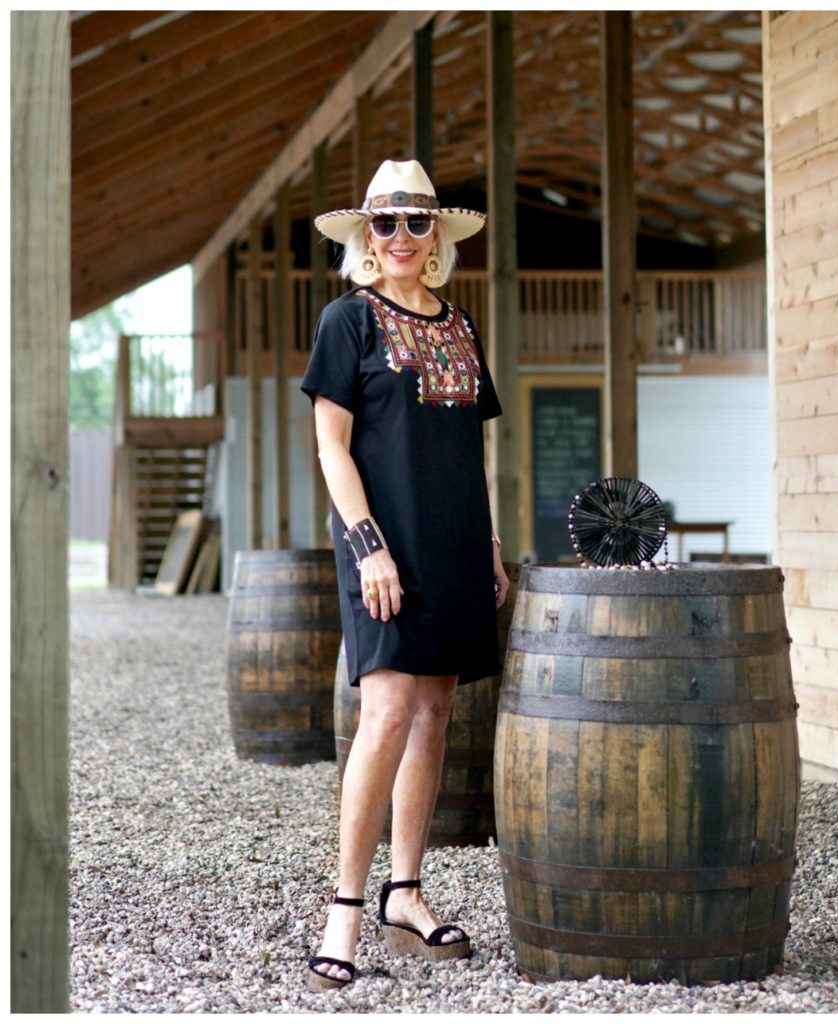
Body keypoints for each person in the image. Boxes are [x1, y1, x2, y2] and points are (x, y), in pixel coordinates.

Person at [300, 159, 510, 991]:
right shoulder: (346, 320)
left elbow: (473, 450)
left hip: (456, 543)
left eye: (416, 223)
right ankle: (344, 910)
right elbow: (331, 446)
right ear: (365, 236)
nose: (399, 238)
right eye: (383, 224)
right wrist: (367, 544)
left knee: (435, 708)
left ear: (436, 238)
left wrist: (489, 544)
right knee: (386, 708)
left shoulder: (461, 325)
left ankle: (406, 895)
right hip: (382, 545)